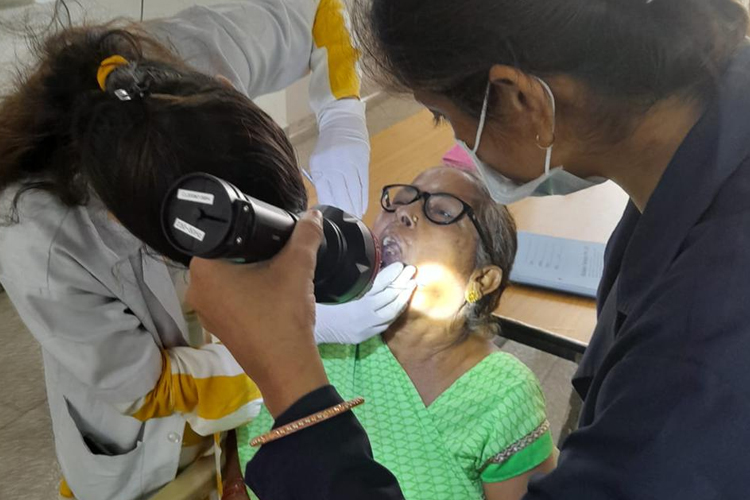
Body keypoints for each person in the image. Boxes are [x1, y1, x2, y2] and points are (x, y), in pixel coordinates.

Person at [184, 0, 750, 499]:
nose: (406, 211)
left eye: (442, 114)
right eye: (402, 198)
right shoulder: (684, 184)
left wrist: (289, 380)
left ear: (522, 98)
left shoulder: (707, 339)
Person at [0, 1, 415, 498]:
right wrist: (297, 338)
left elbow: (319, 13)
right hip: (144, 451)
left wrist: (341, 116)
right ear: (125, 225)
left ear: (226, 89)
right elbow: (147, 388)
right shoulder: (39, 243)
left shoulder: (188, 71)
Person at [230, 167, 555, 500]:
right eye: (399, 201)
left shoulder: (503, 396)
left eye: (441, 212)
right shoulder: (322, 322)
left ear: (482, 279)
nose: (404, 212)